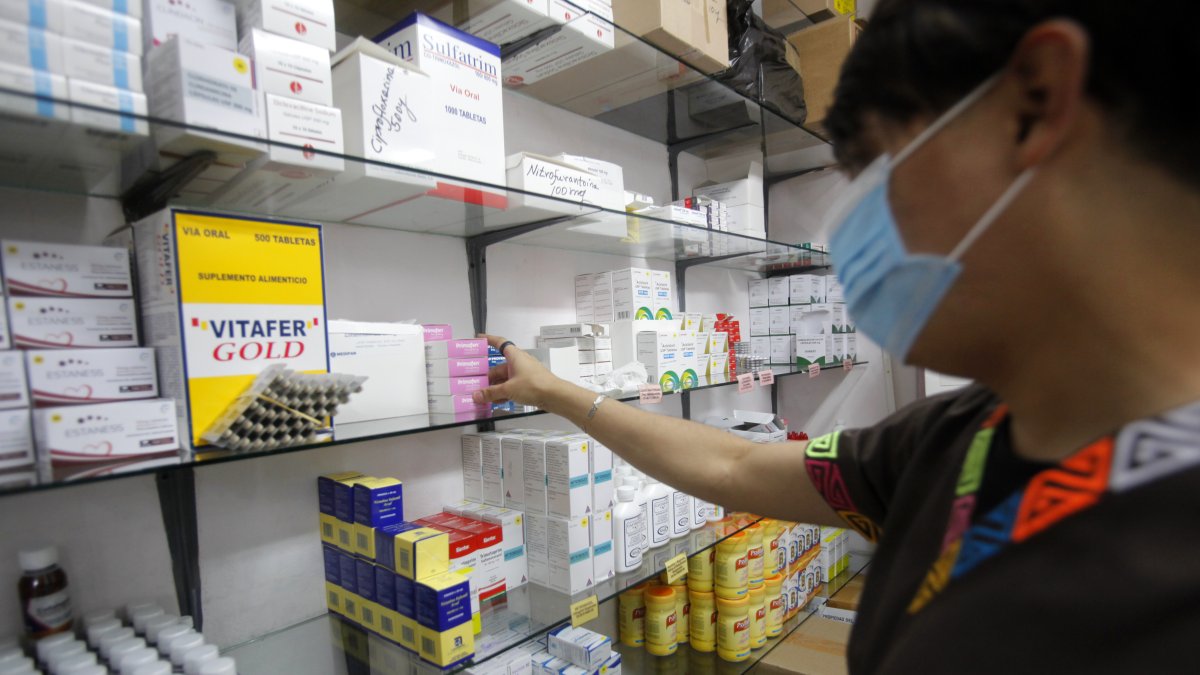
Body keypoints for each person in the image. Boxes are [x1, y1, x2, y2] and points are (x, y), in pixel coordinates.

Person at [473, 0, 1200, 672]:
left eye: (877, 172)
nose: (854, 230)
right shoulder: (962, 434)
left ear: (1035, 103)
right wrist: (557, 391)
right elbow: (731, 467)